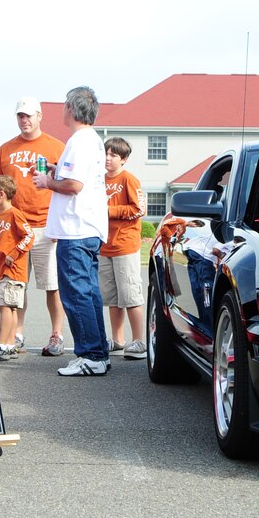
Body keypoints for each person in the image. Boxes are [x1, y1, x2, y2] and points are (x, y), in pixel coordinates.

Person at [33, 86, 109, 376]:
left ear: (72, 110)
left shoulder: (79, 141)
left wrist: (46, 182)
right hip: (87, 228)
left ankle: (90, 355)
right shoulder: (91, 140)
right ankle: (98, 352)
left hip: (75, 230)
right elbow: (78, 178)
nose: (62, 108)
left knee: (76, 293)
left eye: (65, 104)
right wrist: (55, 169)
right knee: (88, 293)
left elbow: (74, 186)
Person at [0, 96, 67, 356]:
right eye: (20, 116)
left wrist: (60, 225)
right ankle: (16, 334)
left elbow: (66, 188)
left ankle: (56, 334)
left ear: (39, 116)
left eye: (28, 115)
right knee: (16, 284)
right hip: (14, 228)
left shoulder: (56, 147)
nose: (24, 120)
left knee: (52, 285)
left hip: (46, 225)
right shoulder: (6, 149)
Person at [100, 137, 147, 359]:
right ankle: (118, 340)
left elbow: (139, 210)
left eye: (113, 155)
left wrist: (110, 211)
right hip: (104, 246)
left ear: (124, 159)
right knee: (112, 297)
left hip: (125, 245)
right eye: (106, 153)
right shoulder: (98, 180)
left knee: (130, 294)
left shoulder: (129, 179)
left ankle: (138, 340)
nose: (108, 158)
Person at [0, 175, 35, 361]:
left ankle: (2, 343)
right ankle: (10, 345)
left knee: (6, 306)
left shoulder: (14, 214)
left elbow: (29, 236)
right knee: (9, 308)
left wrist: (14, 254)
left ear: (1, 194)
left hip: (12, 271)